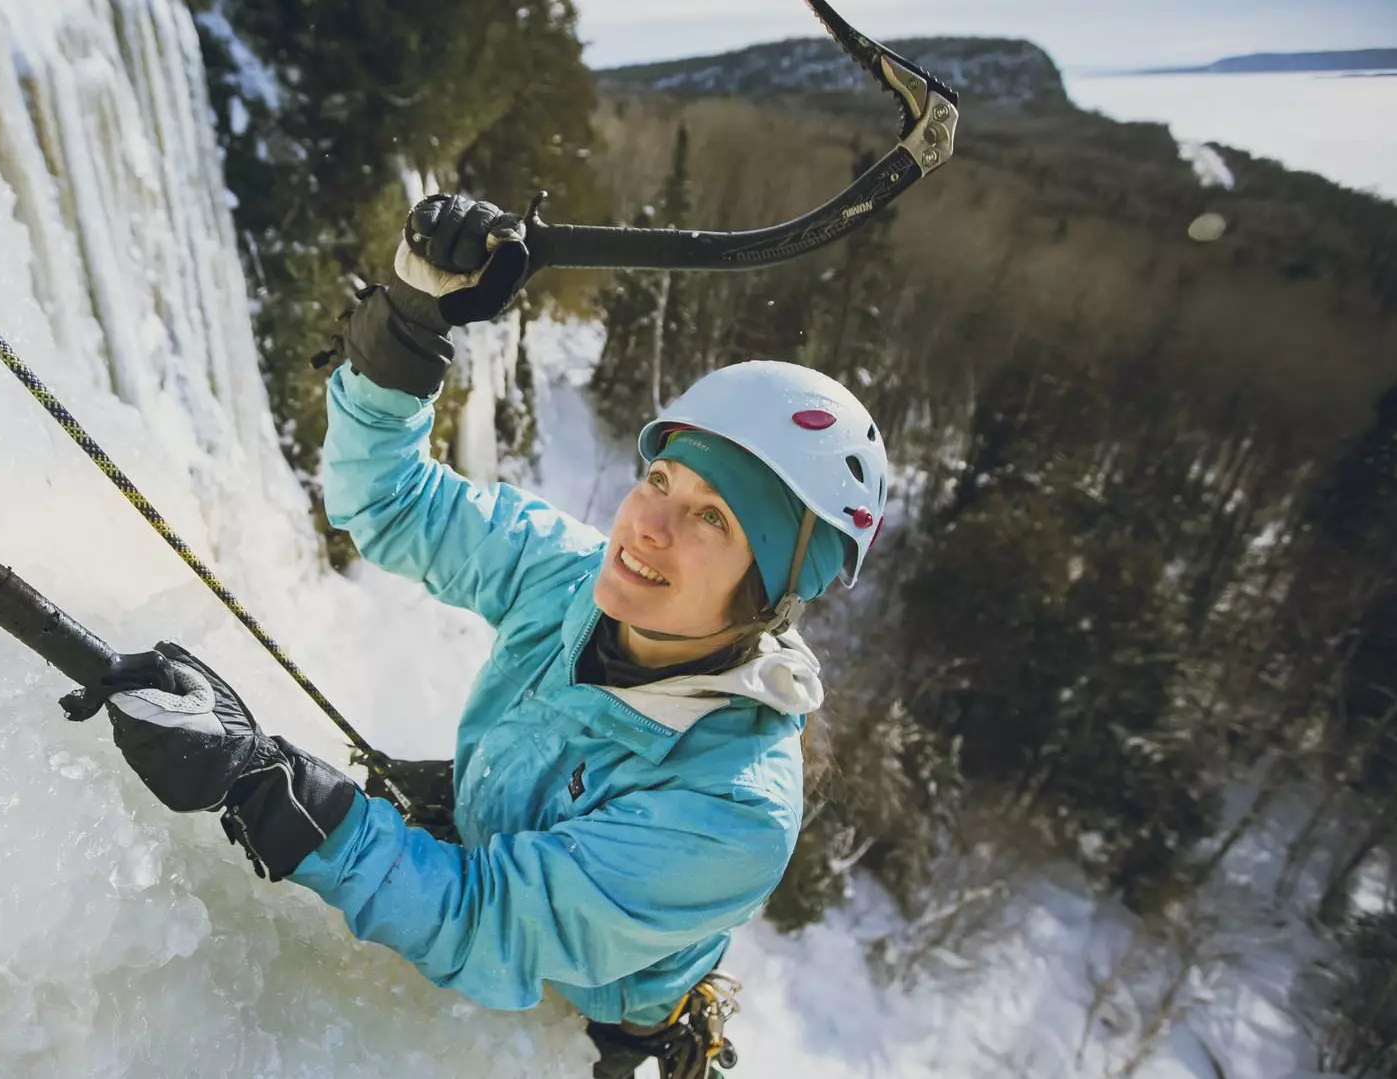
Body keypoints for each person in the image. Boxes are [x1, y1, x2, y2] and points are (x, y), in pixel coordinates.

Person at [75, 194, 890, 1078]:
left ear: (771, 589)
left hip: (569, 1021)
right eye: (659, 476)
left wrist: (267, 788)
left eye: (712, 519)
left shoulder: (732, 811)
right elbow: (389, 503)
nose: (649, 524)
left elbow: (484, 921)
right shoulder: (572, 578)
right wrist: (406, 328)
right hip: (492, 855)